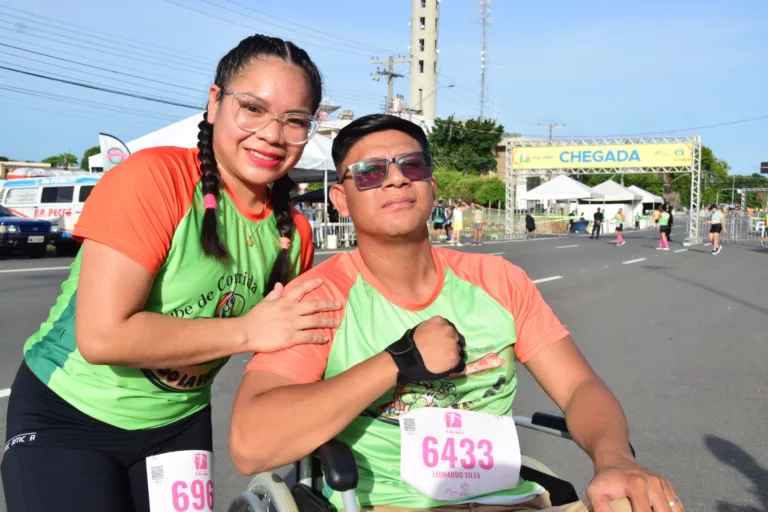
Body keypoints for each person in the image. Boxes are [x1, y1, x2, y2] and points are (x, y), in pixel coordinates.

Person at [230, 115, 684, 512]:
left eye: (412, 165)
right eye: (368, 173)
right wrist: (397, 361)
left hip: (511, 502)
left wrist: (616, 460)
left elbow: (580, 387)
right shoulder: (318, 296)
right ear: (341, 200)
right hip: (387, 506)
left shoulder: (499, 280)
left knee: (637, 501)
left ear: (431, 184)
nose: (395, 180)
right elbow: (251, 444)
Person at [1, 34, 341, 512]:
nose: (271, 133)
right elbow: (103, 338)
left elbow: (293, 357)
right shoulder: (153, 178)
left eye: (294, 121)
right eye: (253, 108)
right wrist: (248, 330)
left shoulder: (295, 233)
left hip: (178, 425)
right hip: (69, 417)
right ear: (215, 102)